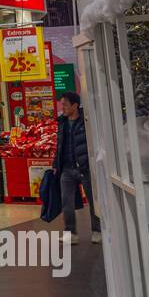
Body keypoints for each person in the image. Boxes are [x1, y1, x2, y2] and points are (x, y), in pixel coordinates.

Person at [53, 91, 99, 245]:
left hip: (84, 168)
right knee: (66, 202)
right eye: (62, 104)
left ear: (74, 105)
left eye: (65, 104)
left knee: (93, 201)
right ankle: (70, 232)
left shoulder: (85, 121)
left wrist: (90, 162)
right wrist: (55, 165)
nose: (62, 107)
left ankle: (97, 230)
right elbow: (59, 145)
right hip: (66, 168)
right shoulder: (62, 122)